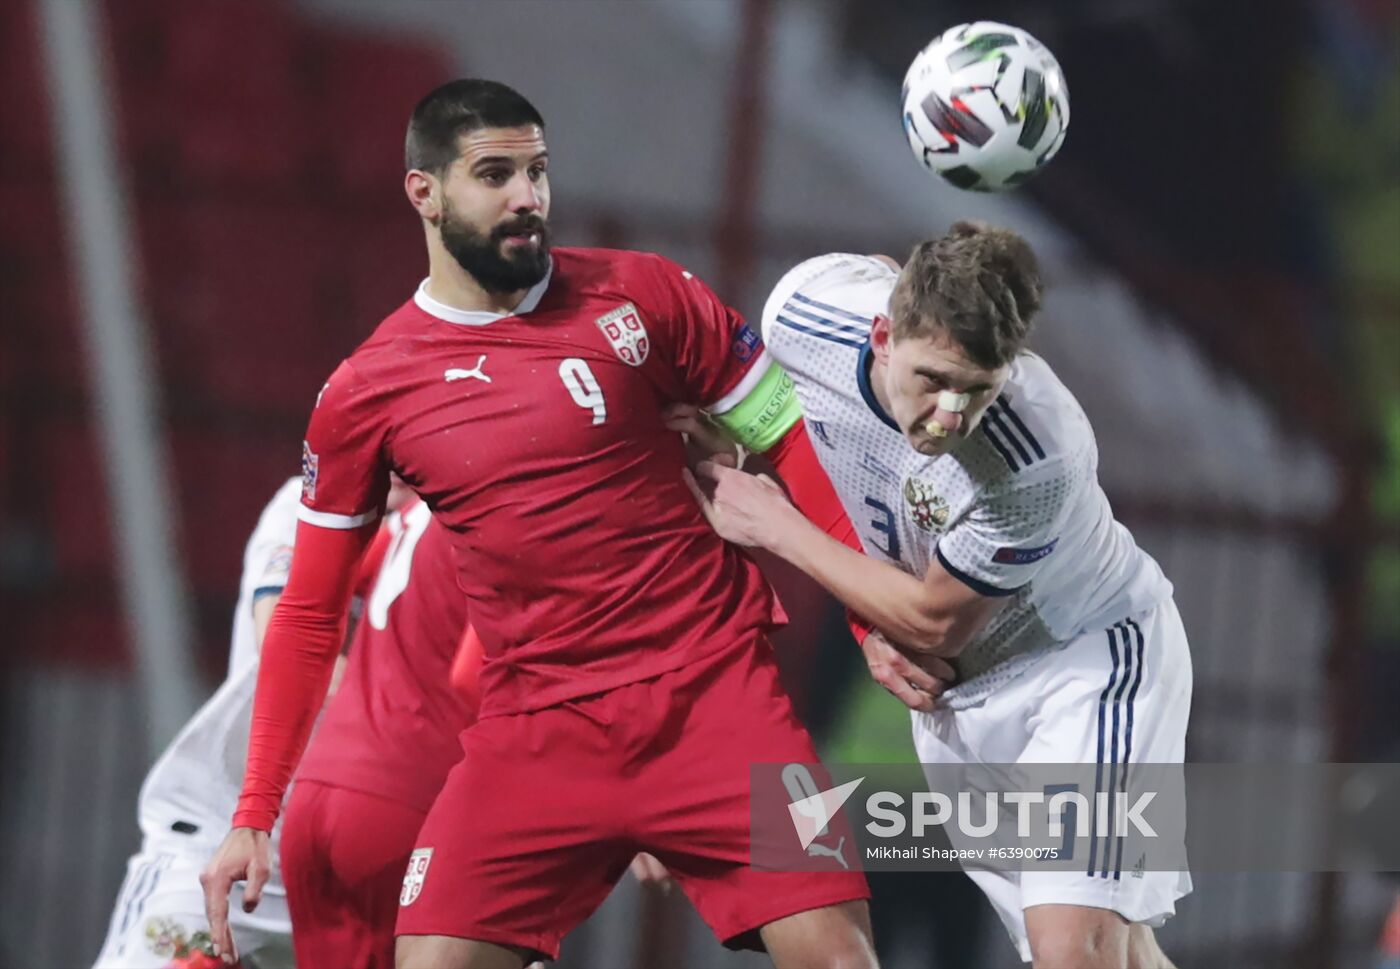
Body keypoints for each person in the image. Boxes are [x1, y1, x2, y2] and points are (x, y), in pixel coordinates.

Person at [200, 78, 875, 969]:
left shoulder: (646, 295)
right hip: (534, 735)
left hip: (720, 704)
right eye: (496, 174)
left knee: (839, 960)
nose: (529, 197)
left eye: (539, 170)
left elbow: (789, 437)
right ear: (425, 192)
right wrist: (253, 813)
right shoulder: (367, 391)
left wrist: (871, 621)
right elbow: (309, 611)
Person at [684, 224, 1192, 969]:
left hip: (1083, 661)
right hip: (963, 704)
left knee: (1071, 949)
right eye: (931, 379)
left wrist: (779, 527)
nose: (949, 415)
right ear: (884, 334)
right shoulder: (804, 310)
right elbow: (875, 277)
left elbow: (933, 619)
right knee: (1116, 951)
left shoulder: (1034, 455)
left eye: (977, 390)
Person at [95, 479, 304, 969]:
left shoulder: (475, 529)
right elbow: (289, 646)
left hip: (382, 875)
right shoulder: (311, 502)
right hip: (225, 851)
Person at [279, 497, 477, 968]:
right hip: (404, 801)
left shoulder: (411, 517)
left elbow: (313, 589)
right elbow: (475, 678)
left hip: (315, 795)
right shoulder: (497, 519)